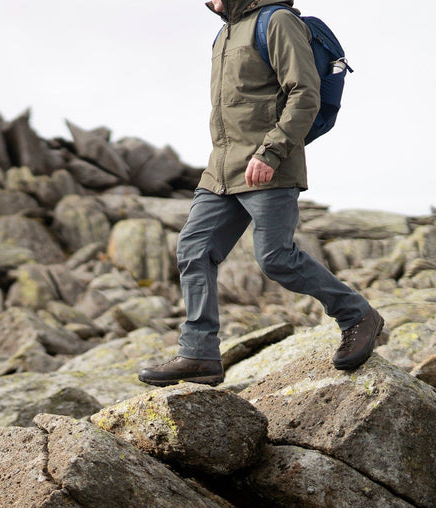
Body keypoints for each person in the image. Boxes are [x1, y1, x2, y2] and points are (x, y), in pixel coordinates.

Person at [139, 0, 383, 387]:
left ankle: (356, 314)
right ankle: (199, 354)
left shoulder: (278, 21)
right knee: (193, 249)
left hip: (269, 164)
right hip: (221, 168)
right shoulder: (223, 34)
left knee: (276, 259)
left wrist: (271, 150)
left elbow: (304, 93)